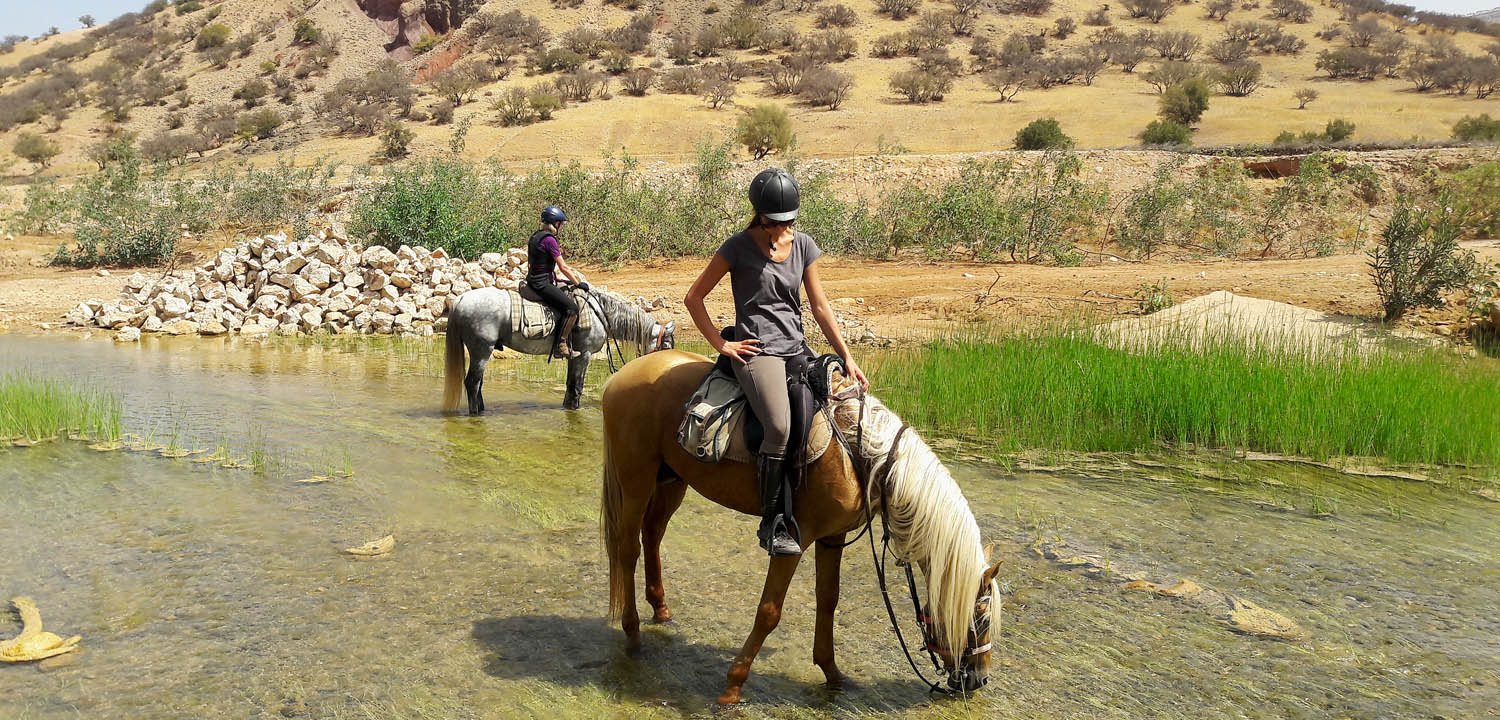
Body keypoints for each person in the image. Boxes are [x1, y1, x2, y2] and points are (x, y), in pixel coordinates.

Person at [684, 168, 870, 557]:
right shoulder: (736, 247)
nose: (779, 229)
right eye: (773, 222)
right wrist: (722, 344)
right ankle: (772, 522)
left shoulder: (803, 245)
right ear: (759, 214)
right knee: (781, 427)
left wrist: (848, 357)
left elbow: (819, 306)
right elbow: (694, 297)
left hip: (797, 349)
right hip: (757, 352)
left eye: (786, 222)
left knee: (833, 412)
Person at [528, 206, 590, 359]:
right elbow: (563, 267)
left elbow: (534, 264)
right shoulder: (550, 240)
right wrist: (577, 283)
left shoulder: (535, 236)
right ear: (555, 223)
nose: (561, 227)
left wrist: (556, 279)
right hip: (541, 284)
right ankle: (560, 346)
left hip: (532, 279)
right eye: (560, 223)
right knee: (572, 308)